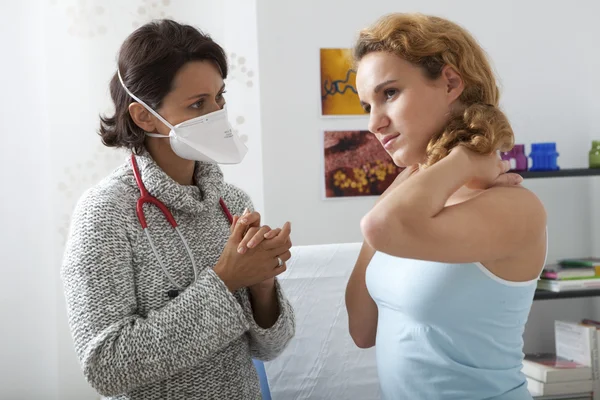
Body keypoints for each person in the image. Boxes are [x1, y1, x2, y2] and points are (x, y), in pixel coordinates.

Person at [61, 19, 295, 400]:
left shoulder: (232, 203)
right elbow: (106, 367)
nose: (217, 113)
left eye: (219, 97)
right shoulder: (104, 214)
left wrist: (261, 284)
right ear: (144, 116)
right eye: (197, 103)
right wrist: (225, 281)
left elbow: (271, 348)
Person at [345, 13, 547, 400]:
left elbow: (379, 228)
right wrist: (415, 174)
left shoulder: (515, 206)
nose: (374, 123)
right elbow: (362, 330)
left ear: (451, 82)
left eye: (389, 93)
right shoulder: (404, 208)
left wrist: (466, 159)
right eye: (367, 105)